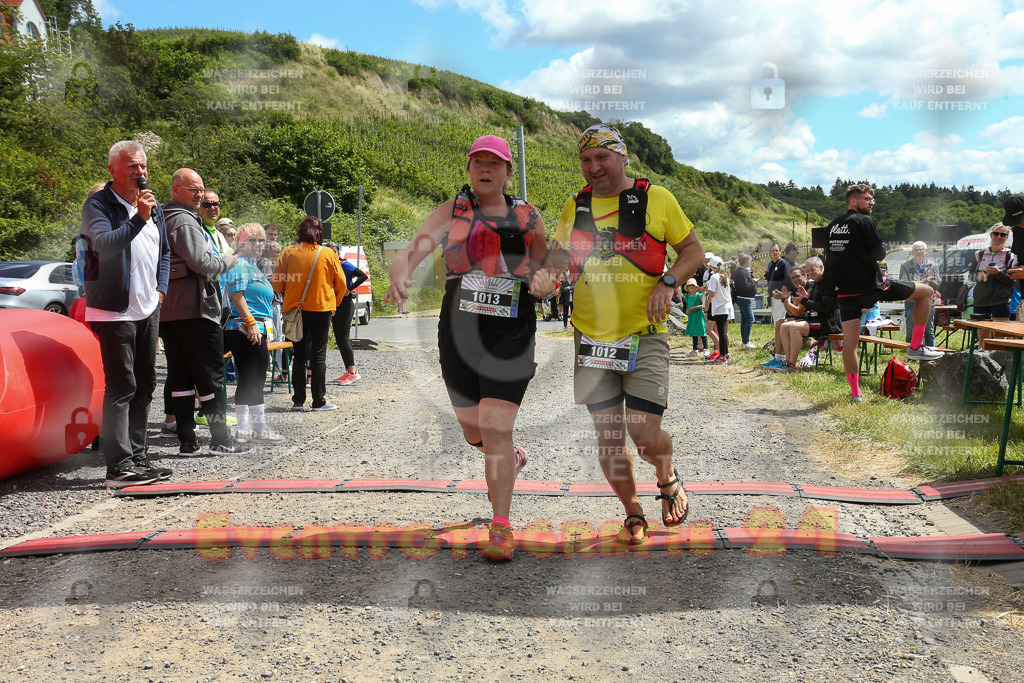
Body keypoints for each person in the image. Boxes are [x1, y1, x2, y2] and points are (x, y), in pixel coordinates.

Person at [386, 134, 554, 561]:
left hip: (510, 330)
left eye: (494, 163)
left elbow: (547, 264)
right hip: (459, 327)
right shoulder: (452, 211)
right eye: (478, 161)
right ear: (469, 168)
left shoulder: (527, 216)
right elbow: (413, 250)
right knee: (473, 430)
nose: (485, 168)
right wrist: (400, 274)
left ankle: (501, 526)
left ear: (507, 171)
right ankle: (510, 457)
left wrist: (545, 281)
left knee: (496, 426)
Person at [545, 123, 703, 545]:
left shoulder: (658, 199)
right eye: (585, 160)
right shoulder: (575, 205)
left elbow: (693, 251)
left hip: (643, 333)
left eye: (602, 157)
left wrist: (668, 282)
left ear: (622, 156)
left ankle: (666, 475)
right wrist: (544, 274)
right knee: (609, 436)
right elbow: (556, 256)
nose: (593, 167)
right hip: (592, 336)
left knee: (645, 435)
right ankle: (632, 510)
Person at [81, 140, 171, 487]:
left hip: (148, 307)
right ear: (113, 170)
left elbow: (164, 252)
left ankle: (137, 456)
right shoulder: (98, 205)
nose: (140, 173)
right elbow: (104, 246)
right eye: (133, 166)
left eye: (144, 166)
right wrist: (139, 218)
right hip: (114, 310)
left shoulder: (153, 207)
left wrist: (161, 290)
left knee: (146, 383)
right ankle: (118, 468)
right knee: (122, 385)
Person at [819, 184, 942, 403]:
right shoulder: (864, 221)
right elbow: (879, 253)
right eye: (867, 199)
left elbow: (832, 257)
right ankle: (915, 347)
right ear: (853, 200)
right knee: (926, 292)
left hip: (845, 291)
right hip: (869, 286)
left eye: (872, 199)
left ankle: (856, 393)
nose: (871, 203)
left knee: (850, 343)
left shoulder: (833, 225)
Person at [161, 168, 252, 456]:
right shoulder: (184, 221)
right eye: (193, 190)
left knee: (180, 378)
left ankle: (187, 441)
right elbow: (202, 262)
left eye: (201, 190)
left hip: (168, 311)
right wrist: (227, 261)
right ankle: (220, 439)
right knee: (211, 378)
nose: (199, 195)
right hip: (196, 310)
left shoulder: (158, 217)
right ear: (176, 190)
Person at [273, 216, 348, 411]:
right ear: (319, 234)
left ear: (300, 233)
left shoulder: (288, 252)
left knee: (298, 354)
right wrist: (334, 304)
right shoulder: (328, 254)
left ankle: (298, 401)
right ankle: (318, 401)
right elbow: (341, 284)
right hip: (321, 309)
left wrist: (291, 295)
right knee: (318, 355)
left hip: (295, 311)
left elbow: (277, 284)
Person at [223, 223, 285, 443]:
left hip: (253, 327)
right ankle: (257, 428)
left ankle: (245, 429)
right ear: (242, 242)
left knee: (250, 378)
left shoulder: (251, 265)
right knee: (255, 378)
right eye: (252, 240)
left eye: (261, 240)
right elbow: (236, 294)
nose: (258, 244)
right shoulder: (239, 263)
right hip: (245, 327)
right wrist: (249, 323)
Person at [771, 257, 839, 372]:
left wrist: (804, 301)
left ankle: (792, 364)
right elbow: (804, 307)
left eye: (813, 270)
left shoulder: (827, 284)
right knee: (783, 326)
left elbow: (825, 307)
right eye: (808, 270)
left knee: (794, 327)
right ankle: (787, 361)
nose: (810, 273)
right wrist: (803, 299)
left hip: (829, 323)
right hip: (817, 320)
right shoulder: (816, 283)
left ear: (821, 267)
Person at [329, 243, 369, 385]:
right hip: (335, 304)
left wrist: (349, 289)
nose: (332, 253)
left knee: (344, 339)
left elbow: (363, 276)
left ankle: (353, 372)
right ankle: (348, 370)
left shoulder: (344, 265)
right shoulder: (329, 265)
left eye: (334, 251)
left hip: (346, 303)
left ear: (338, 252)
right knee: (339, 339)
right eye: (329, 251)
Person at [968, 225, 1017, 338]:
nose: (999, 237)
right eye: (996, 234)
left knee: (1000, 338)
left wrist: (998, 273)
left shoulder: (1010, 255)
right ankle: (981, 355)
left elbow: (1013, 282)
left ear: (1006, 237)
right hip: (981, 301)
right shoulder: (979, 254)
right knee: (983, 338)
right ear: (991, 235)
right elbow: (970, 276)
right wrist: (979, 276)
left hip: (1001, 300)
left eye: (1003, 234)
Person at [762, 266, 806, 368]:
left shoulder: (808, 287)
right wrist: (784, 298)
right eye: (793, 278)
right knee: (779, 323)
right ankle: (779, 358)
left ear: (805, 276)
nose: (795, 279)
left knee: (783, 325)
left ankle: (788, 361)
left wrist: (784, 299)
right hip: (800, 317)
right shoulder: (794, 289)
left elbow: (797, 312)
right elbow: (790, 311)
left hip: (809, 319)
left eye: (798, 276)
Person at [899, 241, 939, 347]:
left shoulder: (933, 265)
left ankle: (931, 354)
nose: (919, 252)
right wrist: (924, 282)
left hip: (929, 303)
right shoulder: (905, 265)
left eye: (921, 249)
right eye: (917, 250)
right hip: (911, 303)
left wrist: (932, 282)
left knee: (929, 332)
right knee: (911, 332)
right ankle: (910, 354)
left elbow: (938, 284)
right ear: (913, 252)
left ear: (926, 251)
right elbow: (904, 284)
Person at [704, 256, 732, 363]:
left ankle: (722, 354)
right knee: (723, 331)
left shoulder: (714, 277)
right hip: (726, 306)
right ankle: (726, 353)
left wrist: (707, 292)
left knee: (721, 331)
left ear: (712, 266)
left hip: (719, 307)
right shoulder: (724, 276)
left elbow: (711, 293)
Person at [732, 253, 757, 348]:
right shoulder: (742, 272)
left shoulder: (739, 271)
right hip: (744, 298)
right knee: (750, 319)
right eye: (749, 261)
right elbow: (745, 286)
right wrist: (754, 282)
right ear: (746, 262)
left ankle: (744, 341)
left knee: (745, 319)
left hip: (742, 298)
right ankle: (746, 341)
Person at [198, 190, 232, 257]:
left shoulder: (220, 235)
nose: (212, 208)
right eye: (207, 205)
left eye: (216, 204)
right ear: (197, 208)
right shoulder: (197, 231)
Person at [682, 277, 707, 357]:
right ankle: (695, 349)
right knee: (694, 332)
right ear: (687, 288)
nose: (692, 287)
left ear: (696, 287)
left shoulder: (699, 296)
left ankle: (706, 349)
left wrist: (696, 307)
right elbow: (687, 305)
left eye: (693, 286)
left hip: (699, 315)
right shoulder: (687, 296)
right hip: (692, 316)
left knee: (702, 331)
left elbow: (704, 305)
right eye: (690, 286)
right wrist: (687, 310)